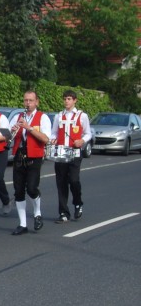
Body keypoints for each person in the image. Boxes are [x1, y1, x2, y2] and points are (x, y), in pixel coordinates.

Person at [10, 91, 51, 235]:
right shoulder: (18, 117)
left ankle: (37, 213)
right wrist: (12, 130)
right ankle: (22, 224)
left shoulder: (42, 117)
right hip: (19, 155)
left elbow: (46, 138)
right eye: (26, 100)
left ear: (36, 102)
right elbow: (8, 135)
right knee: (18, 190)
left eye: (31, 100)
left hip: (34, 155)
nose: (28, 103)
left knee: (32, 188)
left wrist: (29, 128)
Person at [50, 90, 92, 223]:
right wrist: (53, 139)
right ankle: (63, 213)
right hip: (61, 152)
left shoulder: (82, 116)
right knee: (61, 182)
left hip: (75, 152)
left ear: (75, 100)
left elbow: (88, 133)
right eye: (65, 99)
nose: (66, 101)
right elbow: (54, 132)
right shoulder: (59, 116)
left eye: (69, 99)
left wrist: (82, 141)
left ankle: (78, 203)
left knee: (74, 180)